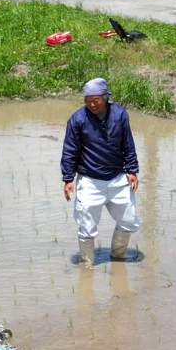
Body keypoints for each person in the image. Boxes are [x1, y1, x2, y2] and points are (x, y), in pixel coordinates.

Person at [60, 77, 141, 267]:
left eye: (96, 99)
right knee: (86, 228)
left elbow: (128, 144)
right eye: (88, 100)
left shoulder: (120, 114)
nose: (92, 104)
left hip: (118, 178)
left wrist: (132, 170)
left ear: (105, 98)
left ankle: (118, 258)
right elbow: (70, 149)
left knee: (129, 221)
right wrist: (68, 178)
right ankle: (87, 264)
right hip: (90, 180)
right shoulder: (77, 119)